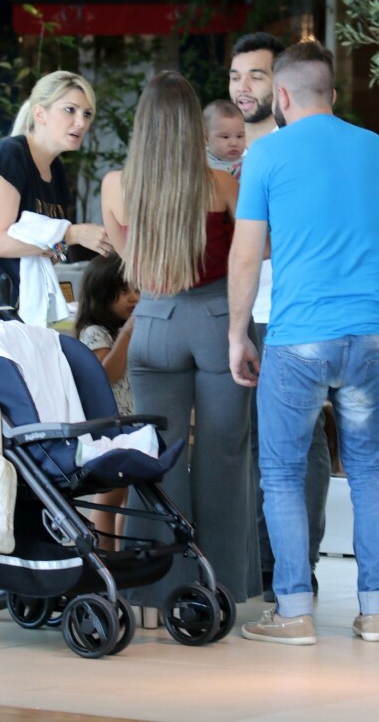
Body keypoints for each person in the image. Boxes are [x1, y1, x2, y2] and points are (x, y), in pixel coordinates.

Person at [229, 41, 379, 646]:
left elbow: (247, 254)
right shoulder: (377, 149)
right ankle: (375, 612)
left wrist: (236, 334)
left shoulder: (267, 154)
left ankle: (294, 611)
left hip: (300, 337)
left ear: (281, 95)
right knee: (370, 469)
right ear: (334, 93)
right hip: (371, 336)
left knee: (280, 470)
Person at [0, 70, 112, 610]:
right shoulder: (10, 155)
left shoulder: (53, 173)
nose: (79, 123)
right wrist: (73, 233)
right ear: (40, 111)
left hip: (20, 320)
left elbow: (39, 249)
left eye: (86, 115)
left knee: (26, 439)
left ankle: (18, 559)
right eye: (70, 111)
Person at [101, 70, 260, 611]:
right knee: (224, 456)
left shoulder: (116, 187)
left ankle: (159, 590)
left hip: (156, 325)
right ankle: (221, 590)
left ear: (143, 126)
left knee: (161, 459)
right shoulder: (221, 186)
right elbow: (253, 254)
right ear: (193, 126)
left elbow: (128, 261)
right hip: (218, 321)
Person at [229, 32, 331, 603]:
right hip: (232, 315)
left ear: (285, 87)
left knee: (300, 443)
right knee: (239, 444)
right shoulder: (220, 154)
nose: (244, 87)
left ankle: (292, 565)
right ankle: (252, 562)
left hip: (288, 317)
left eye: (257, 76)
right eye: (236, 75)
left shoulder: (300, 150)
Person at [74, 252, 139, 552]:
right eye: (123, 290)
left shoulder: (116, 331)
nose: (132, 297)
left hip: (129, 426)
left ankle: (121, 555)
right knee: (110, 496)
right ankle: (106, 557)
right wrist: (126, 335)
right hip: (110, 430)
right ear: (101, 295)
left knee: (126, 495)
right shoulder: (95, 332)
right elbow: (106, 375)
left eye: (135, 290)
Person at [203, 99, 245, 180]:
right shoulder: (202, 162)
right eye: (225, 137)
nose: (234, 143)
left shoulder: (248, 163)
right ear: (207, 138)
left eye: (239, 136)